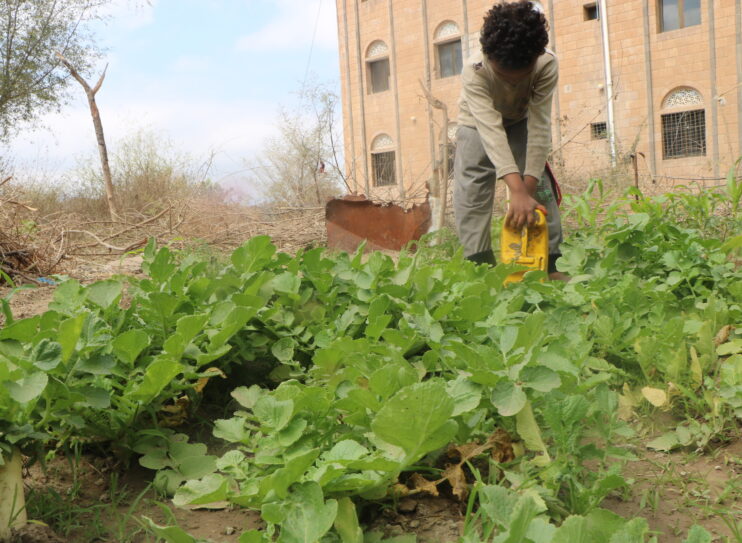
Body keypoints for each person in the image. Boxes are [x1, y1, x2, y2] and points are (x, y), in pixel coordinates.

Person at [454, 0, 567, 280]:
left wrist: (525, 190)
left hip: (521, 119)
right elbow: (490, 132)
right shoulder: (475, 70)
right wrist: (515, 191)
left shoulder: (546, 64)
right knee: (471, 190)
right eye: (505, 78)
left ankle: (551, 265)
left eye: (521, 78)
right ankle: (479, 267)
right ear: (489, 56)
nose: (513, 84)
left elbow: (540, 126)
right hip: (476, 123)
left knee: (538, 184)